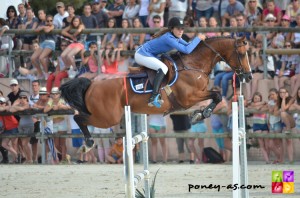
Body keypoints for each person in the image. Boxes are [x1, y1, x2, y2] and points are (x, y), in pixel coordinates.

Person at [134, 17, 205, 107]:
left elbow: (188, 45)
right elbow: (186, 50)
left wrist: (199, 43)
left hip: (148, 54)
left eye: (182, 29)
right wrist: (198, 38)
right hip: (141, 55)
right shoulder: (169, 38)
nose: (181, 31)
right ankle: (154, 96)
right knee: (163, 68)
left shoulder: (175, 37)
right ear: (172, 29)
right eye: (178, 29)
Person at [10, 91, 34, 164]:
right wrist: (16, 103)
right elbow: (11, 109)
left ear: (27, 98)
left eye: (24, 97)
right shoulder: (19, 105)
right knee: (23, 144)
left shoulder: (30, 104)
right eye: (21, 97)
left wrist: (19, 107)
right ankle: (28, 159)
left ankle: (30, 159)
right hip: (21, 125)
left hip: (29, 125)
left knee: (25, 143)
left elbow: (25, 108)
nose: (22, 99)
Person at [247, 92, 270, 164]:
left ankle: (268, 158)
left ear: (260, 98)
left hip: (264, 125)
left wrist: (260, 106)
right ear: (253, 99)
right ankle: (267, 160)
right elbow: (254, 107)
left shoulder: (264, 105)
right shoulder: (251, 105)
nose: (257, 99)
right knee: (261, 143)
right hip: (257, 125)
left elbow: (264, 107)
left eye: (258, 98)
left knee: (266, 143)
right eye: (255, 98)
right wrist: (261, 105)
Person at [0, 96, 19, 163]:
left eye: (2, 102)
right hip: (7, 129)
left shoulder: (8, 107)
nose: (0, 104)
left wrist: (4, 107)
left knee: (14, 144)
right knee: (4, 144)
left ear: (5, 103)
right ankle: (16, 155)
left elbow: (8, 108)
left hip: (14, 127)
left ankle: (15, 160)